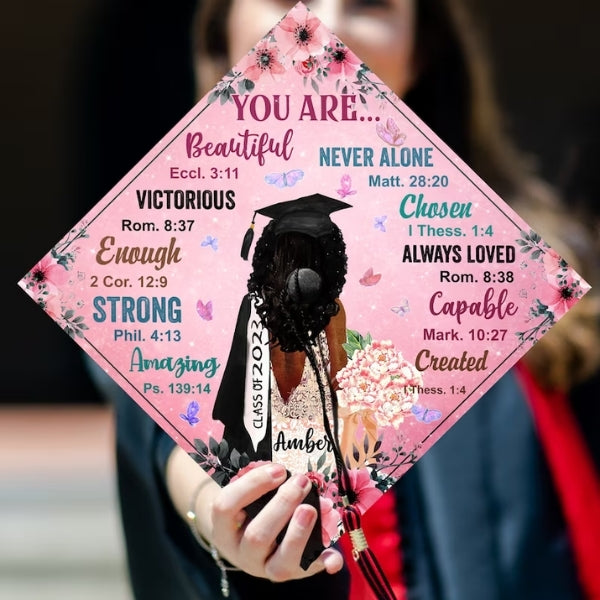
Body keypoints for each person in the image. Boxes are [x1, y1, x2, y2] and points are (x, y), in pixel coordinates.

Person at [82, 1, 600, 599]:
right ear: (222, 32)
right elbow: (161, 430)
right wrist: (216, 509)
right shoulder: (157, 262)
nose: (324, 26)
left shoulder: (522, 269)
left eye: (370, 3)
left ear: (420, 51)